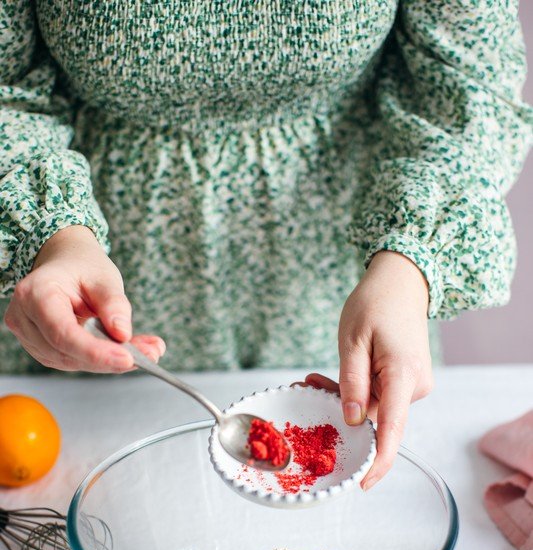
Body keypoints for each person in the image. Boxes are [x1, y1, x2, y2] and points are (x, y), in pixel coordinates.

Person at [0, 1, 531, 489]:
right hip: (90, 264)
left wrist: (406, 270)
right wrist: (56, 238)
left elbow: (470, 87)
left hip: (347, 272)